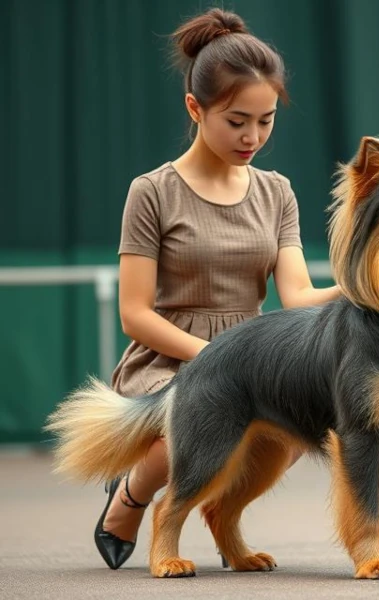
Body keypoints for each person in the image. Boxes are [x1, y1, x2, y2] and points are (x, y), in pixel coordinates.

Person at [95, 7, 341, 570]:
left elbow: (298, 297)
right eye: (236, 120)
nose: (253, 136)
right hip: (167, 353)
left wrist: (358, 286)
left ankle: (226, 529)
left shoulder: (277, 191)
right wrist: (217, 363)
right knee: (192, 418)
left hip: (252, 357)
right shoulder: (151, 192)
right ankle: (130, 498)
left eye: (267, 120)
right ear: (195, 108)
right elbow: (134, 314)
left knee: (295, 424)